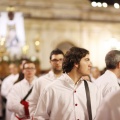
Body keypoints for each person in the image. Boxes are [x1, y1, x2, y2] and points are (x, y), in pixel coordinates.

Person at [33, 47, 102, 120]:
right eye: (86, 60)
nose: (90, 65)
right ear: (76, 63)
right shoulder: (51, 89)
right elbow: (39, 117)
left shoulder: (94, 89)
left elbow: (101, 116)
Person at [29, 48, 64, 117]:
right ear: (50, 62)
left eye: (61, 60)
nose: (58, 62)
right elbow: (33, 101)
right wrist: (34, 116)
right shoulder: (40, 81)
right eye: (54, 60)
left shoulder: (68, 80)